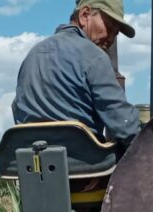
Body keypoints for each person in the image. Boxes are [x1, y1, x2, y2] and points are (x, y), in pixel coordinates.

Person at [12, 0, 140, 148]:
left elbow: (17, 108)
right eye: (109, 27)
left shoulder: (32, 55)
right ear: (85, 15)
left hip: (28, 161)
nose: (111, 38)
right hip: (83, 165)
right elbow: (123, 125)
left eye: (115, 34)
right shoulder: (94, 56)